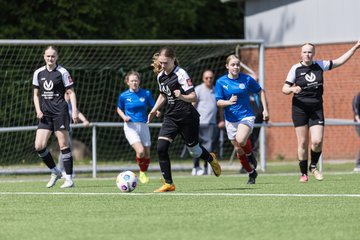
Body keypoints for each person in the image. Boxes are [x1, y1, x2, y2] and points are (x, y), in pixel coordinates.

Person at [282, 41, 360, 182]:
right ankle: (303, 173)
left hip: (316, 108)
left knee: (317, 141)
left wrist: (355, 47)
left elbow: (339, 61)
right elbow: (284, 89)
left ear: (314, 53)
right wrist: (292, 89)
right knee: (303, 142)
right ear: (301, 54)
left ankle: (313, 166)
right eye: (305, 52)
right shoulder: (295, 69)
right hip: (299, 109)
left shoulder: (320, 65)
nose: (307, 54)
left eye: (310, 52)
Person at [148, 47, 221, 192]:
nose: (162, 66)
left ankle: (210, 158)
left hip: (187, 116)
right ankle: (169, 183)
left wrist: (181, 96)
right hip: (171, 117)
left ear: (173, 60)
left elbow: (194, 96)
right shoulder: (160, 76)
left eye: (165, 63)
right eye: (160, 63)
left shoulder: (181, 74)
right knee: (161, 148)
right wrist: (154, 109)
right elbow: (163, 94)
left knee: (194, 151)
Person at [215, 54, 269, 184]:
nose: (236, 67)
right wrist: (228, 102)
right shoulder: (221, 82)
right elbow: (218, 102)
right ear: (227, 66)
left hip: (246, 116)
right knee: (238, 149)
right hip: (230, 119)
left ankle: (250, 155)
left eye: (238, 64)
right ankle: (251, 173)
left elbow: (260, 91)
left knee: (241, 139)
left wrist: (265, 109)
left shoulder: (246, 79)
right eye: (233, 64)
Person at [33, 45, 78, 188]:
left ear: (56, 57)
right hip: (45, 114)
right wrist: (38, 110)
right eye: (48, 56)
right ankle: (55, 171)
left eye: (53, 56)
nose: (50, 58)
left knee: (63, 145)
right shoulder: (38, 73)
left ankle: (69, 179)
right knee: (39, 145)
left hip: (60, 113)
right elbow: (36, 94)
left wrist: (75, 110)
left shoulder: (62, 72)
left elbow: (71, 92)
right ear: (44, 57)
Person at [117, 71, 160, 184]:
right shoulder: (123, 96)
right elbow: (119, 109)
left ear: (139, 81)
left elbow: (153, 105)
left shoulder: (146, 93)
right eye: (132, 80)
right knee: (140, 151)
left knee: (147, 153)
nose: (134, 82)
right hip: (130, 127)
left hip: (144, 125)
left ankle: (143, 172)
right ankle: (142, 172)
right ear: (127, 82)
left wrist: (156, 111)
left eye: (136, 80)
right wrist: (124, 117)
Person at [191, 69, 225, 176]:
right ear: (203, 78)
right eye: (206, 78)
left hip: (211, 124)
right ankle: (196, 167)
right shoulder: (198, 89)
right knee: (195, 146)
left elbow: (220, 107)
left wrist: (222, 120)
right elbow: (193, 105)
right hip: (198, 123)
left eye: (211, 78)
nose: (209, 80)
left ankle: (206, 167)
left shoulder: (216, 90)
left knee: (209, 148)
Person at [58, 93, 90, 177]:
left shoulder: (70, 105)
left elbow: (77, 112)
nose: (70, 96)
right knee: (65, 149)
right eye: (67, 94)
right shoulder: (60, 102)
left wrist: (85, 120)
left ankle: (65, 170)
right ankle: (62, 170)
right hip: (61, 130)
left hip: (68, 131)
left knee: (67, 149)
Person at [352, 92, 360, 172]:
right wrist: (358, 119)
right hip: (358, 124)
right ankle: (358, 164)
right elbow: (355, 108)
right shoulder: (358, 96)